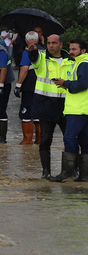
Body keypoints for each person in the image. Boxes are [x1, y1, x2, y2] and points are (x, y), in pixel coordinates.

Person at [28, 34, 74, 179]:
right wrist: (32, 51)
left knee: (71, 139)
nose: (51, 46)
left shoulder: (71, 60)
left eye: (54, 43)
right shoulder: (42, 58)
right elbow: (34, 60)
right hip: (45, 103)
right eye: (48, 43)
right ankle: (46, 172)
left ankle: (71, 170)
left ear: (61, 45)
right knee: (45, 139)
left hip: (66, 105)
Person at [50, 38, 88, 182]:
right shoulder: (80, 63)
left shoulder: (83, 63)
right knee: (85, 141)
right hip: (83, 108)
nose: (71, 52)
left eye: (74, 49)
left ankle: (68, 172)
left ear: (83, 51)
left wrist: (65, 83)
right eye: (70, 49)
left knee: (69, 138)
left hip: (78, 109)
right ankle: (84, 176)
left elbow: (83, 84)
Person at [14, 27, 45, 144]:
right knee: (39, 114)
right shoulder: (45, 51)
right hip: (42, 87)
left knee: (26, 113)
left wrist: (18, 85)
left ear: (26, 41)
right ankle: (39, 140)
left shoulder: (27, 52)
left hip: (29, 87)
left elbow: (24, 69)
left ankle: (27, 140)